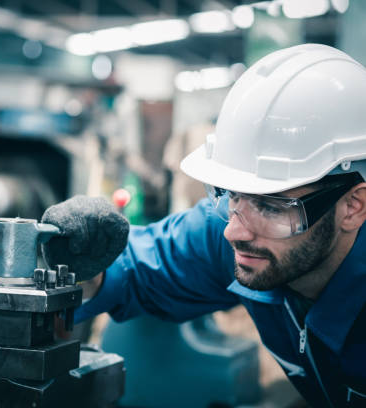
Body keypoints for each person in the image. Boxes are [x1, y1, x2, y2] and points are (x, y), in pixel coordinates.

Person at [41, 44, 366, 408]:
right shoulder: (236, 230)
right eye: (230, 195)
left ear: (353, 206)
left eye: (271, 206)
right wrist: (87, 266)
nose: (234, 232)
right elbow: (136, 267)